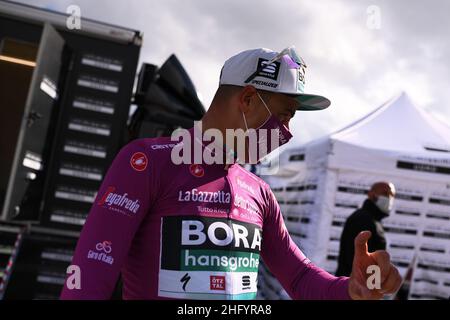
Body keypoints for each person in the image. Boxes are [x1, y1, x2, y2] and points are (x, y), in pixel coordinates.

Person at [61, 47, 401, 300]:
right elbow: (90, 276)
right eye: (285, 115)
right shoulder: (148, 162)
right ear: (249, 98)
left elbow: (298, 277)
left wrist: (353, 290)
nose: (286, 130)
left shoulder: (258, 192)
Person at [336, 182, 396, 277]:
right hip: (354, 286)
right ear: (371, 194)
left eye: (391, 195)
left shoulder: (374, 220)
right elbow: (353, 258)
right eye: (385, 194)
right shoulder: (361, 219)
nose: (389, 198)